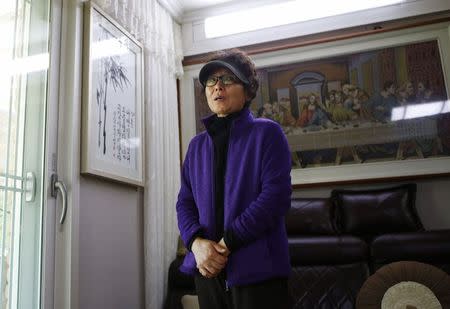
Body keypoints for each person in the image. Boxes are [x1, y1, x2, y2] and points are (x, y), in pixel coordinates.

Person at [176, 49, 292, 309]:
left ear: (248, 90)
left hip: (258, 272)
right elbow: (184, 202)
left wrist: (226, 244)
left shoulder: (267, 133)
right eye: (211, 81)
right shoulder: (196, 146)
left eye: (227, 79)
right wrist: (196, 244)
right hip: (207, 271)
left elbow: (275, 199)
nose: (217, 87)